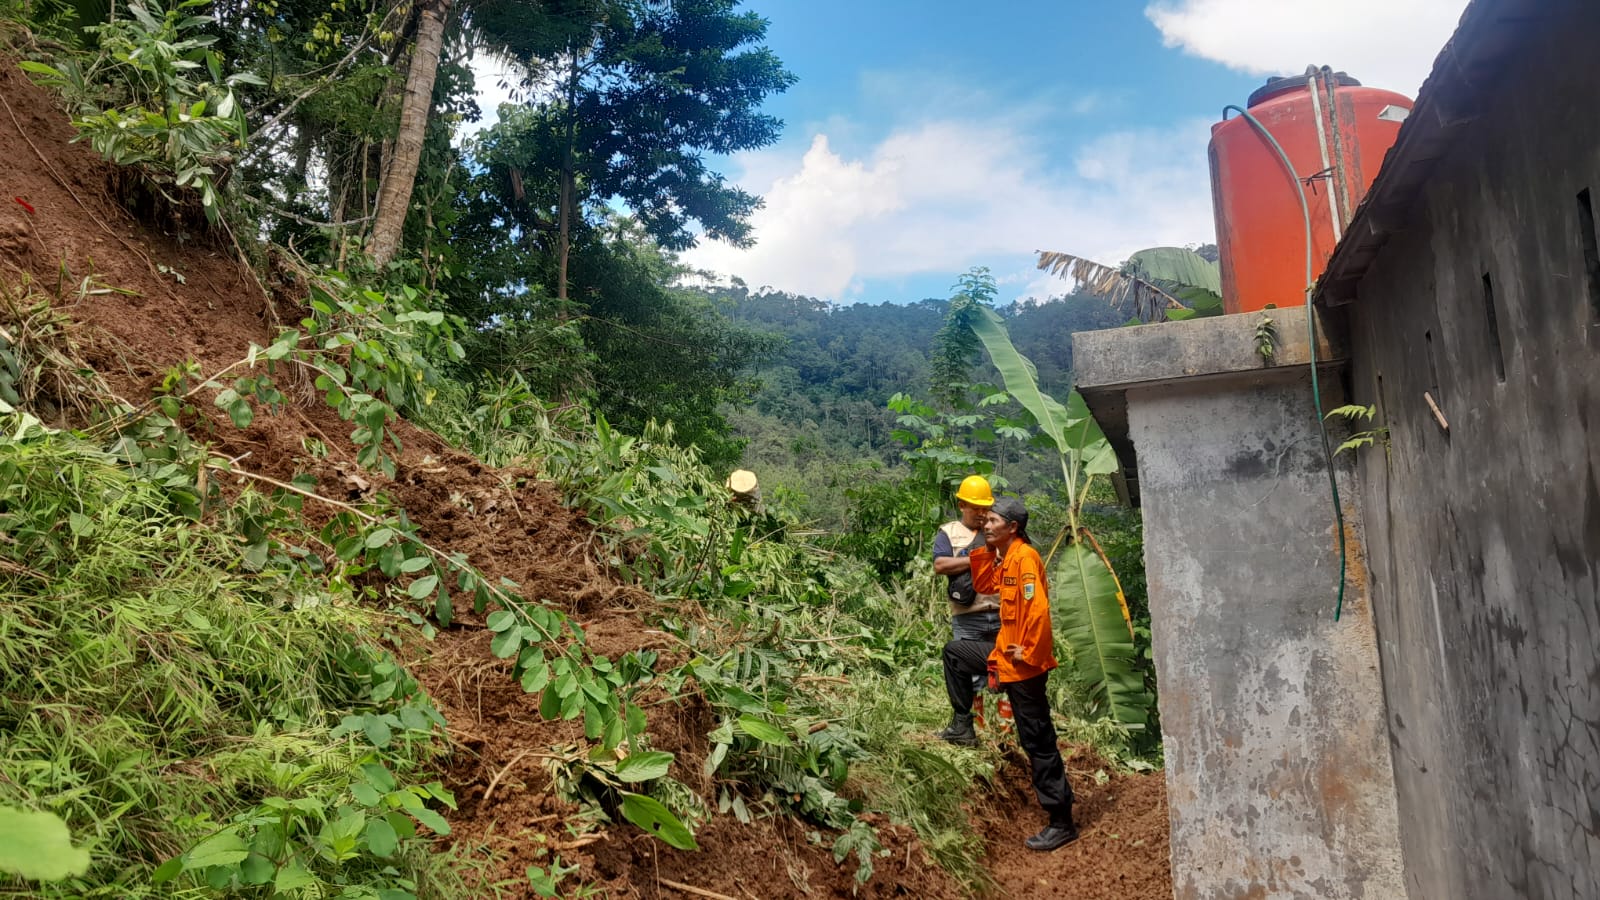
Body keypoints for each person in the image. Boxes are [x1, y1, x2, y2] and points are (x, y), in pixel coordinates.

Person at [939, 497, 1078, 851]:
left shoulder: (1025, 559)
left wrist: (1028, 652)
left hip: (1024, 667)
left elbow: (1039, 612)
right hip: (1004, 658)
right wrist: (987, 548)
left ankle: (1061, 821)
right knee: (955, 653)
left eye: (993, 521)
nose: (986, 525)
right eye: (985, 520)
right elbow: (984, 583)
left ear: (1012, 527)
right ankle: (962, 726)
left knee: (1037, 740)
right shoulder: (1006, 557)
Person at [932, 475, 1002, 734]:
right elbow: (940, 565)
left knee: (1002, 672)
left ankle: (999, 727)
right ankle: (971, 725)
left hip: (1001, 613)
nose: (982, 514)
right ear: (962, 505)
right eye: (976, 508)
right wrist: (977, 559)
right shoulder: (949, 533)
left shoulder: (997, 529)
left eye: (985, 508)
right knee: (967, 673)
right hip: (967, 615)